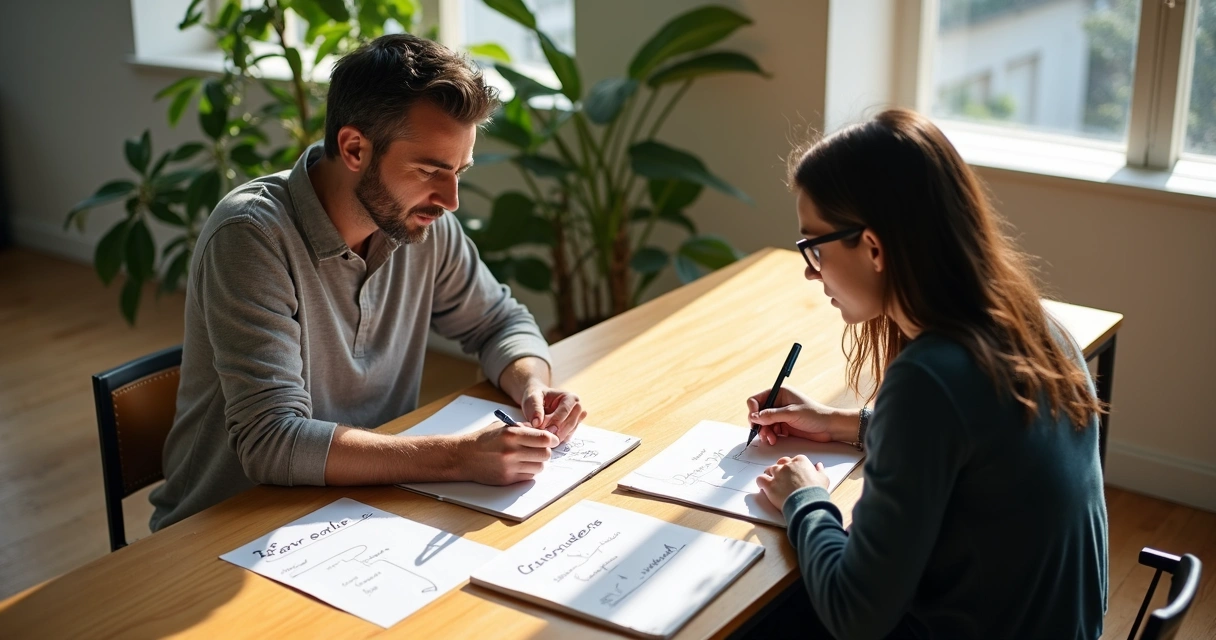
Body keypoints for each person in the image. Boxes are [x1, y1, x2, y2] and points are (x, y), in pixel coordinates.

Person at [149, 34, 585, 531]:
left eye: (460, 171)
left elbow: (498, 321)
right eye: (429, 170)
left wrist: (531, 384)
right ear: (354, 148)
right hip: (233, 526)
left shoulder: (424, 223)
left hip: (365, 508)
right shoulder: (251, 236)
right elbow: (272, 440)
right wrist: (457, 458)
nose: (451, 199)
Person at [744, 108, 1108, 639]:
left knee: (755, 610)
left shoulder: (928, 380)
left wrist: (805, 498)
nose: (808, 268)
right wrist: (845, 424)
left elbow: (856, 615)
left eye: (813, 246)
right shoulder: (1037, 327)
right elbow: (980, 451)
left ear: (872, 246)